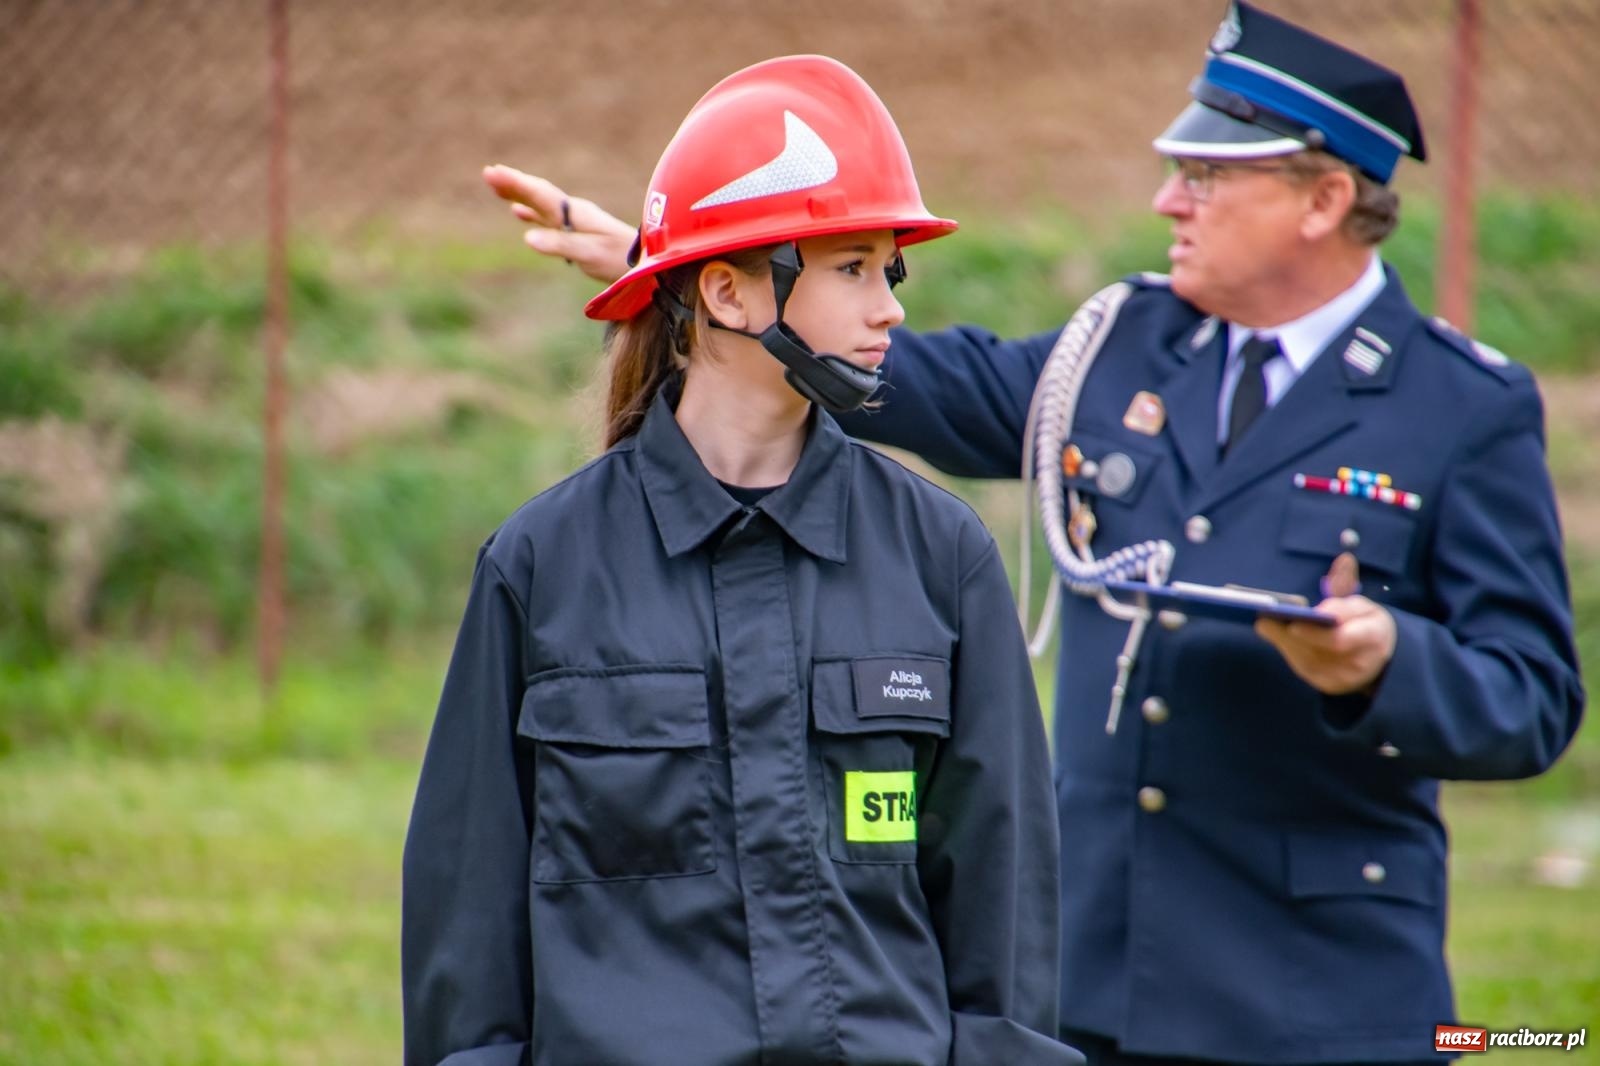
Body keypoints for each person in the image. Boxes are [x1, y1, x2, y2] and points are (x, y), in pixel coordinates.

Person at [486, 4, 1586, 1064]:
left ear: (1323, 199)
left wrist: (1381, 667)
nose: (1169, 201)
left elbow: (1531, 700)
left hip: (1315, 994)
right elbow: (881, 364)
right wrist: (670, 256)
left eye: (1205, 176)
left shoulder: (1457, 406)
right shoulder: (1122, 344)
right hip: (1101, 986)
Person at [404, 54, 1078, 1066]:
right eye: (851, 267)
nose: (889, 306)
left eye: (888, 269)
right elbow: (469, 934)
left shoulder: (942, 562)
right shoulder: (541, 566)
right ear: (727, 292)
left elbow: (1004, 920)